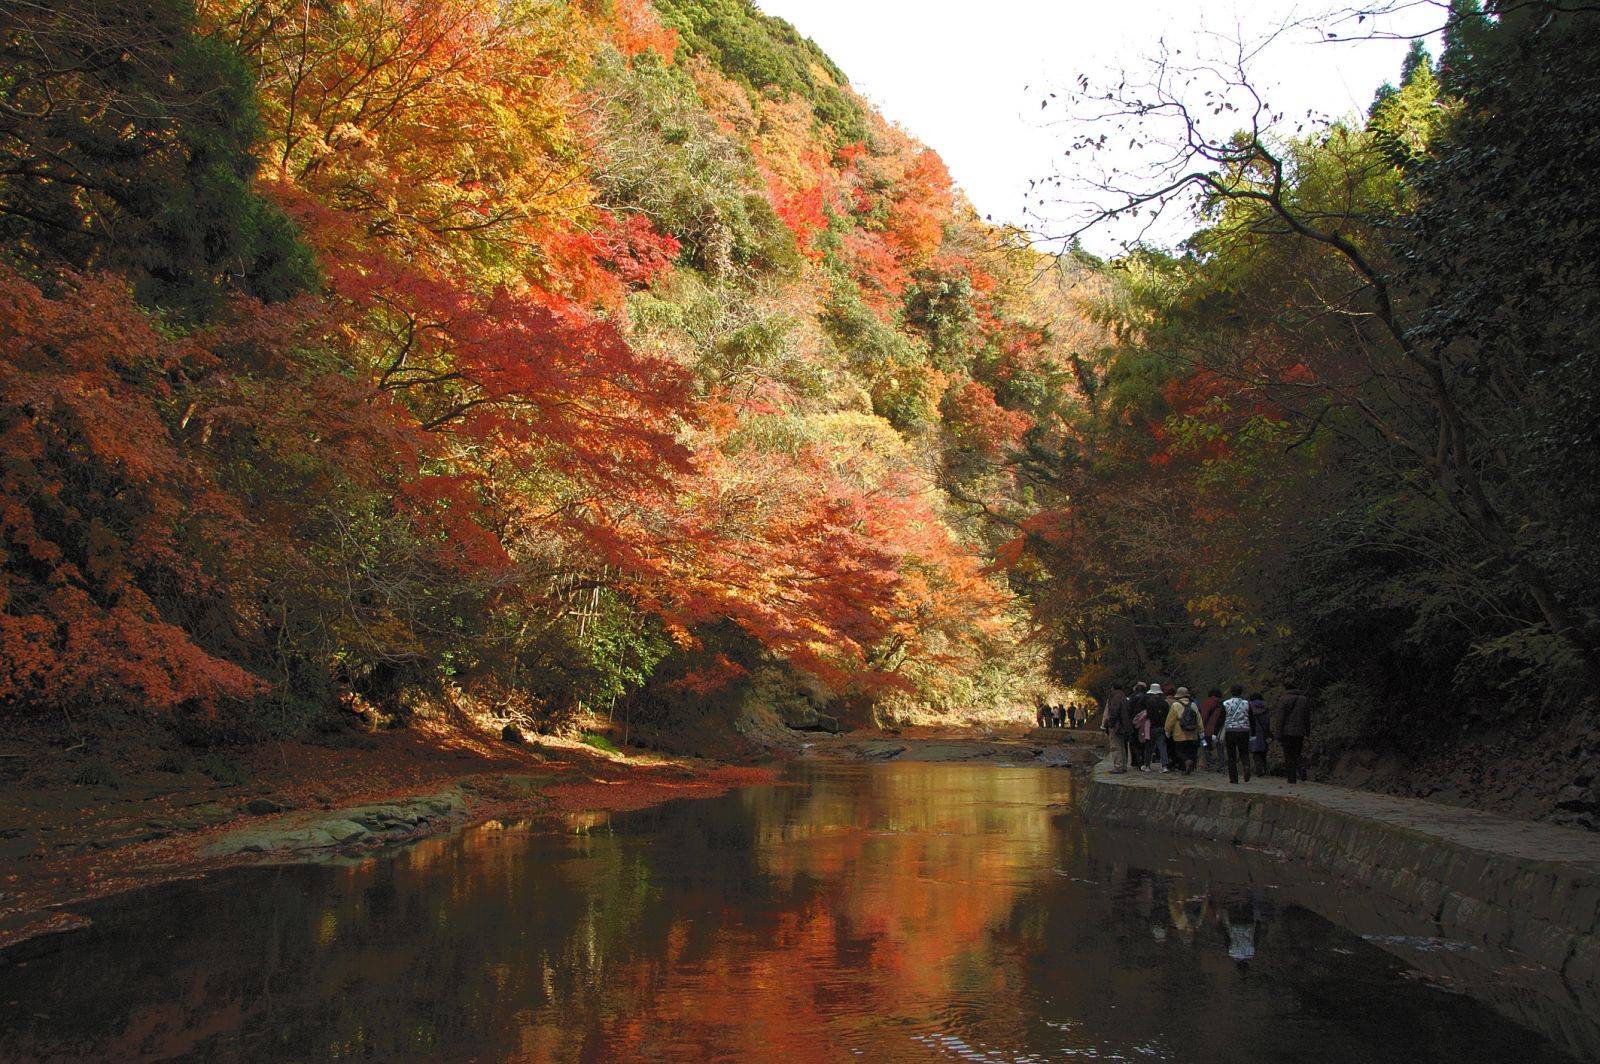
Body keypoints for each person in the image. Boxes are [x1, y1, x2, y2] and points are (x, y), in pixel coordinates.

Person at [1271, 685, 1314, 784]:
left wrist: (1278, 733)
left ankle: (1291, 778)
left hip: (1287, 732)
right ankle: (1301, 767)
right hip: (1300, 731)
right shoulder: (1304, 699)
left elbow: (1280, 718)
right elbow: (1307, 717)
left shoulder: (1283, 699)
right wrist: (1307, 731)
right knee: (1297, 752)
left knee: (1288, 754)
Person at [1164, 686, 1203, 774]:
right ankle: (1187, 767)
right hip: (1192, 732)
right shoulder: (1193, 705)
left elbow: (1170, 720)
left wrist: (1167, 730)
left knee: (1179, 751)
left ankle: (1185, 762)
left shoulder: (1176, 705)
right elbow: (1199, 719)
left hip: (1179, 733)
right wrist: (1201, 730)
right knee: (1189, 751)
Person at [1222, 685, 1253, 784]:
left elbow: (1221, 718)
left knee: (1231, 755)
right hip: (1244, 730)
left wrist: (1215, 733)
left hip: (1230, 731)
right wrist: (1254, 733)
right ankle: (1246, 765)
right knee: (1244, 752)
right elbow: (1251, 718)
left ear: (1231, 692)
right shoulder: (1246, 703)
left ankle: (1234, 778)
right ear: (1241, 692)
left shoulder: (1226, 703)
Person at [1104, 684, 1133, 772]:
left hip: (1117, 726)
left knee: (1115, 746)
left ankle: (1118, 766)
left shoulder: (1115, 699)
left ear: (1113, 688)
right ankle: (1123, 765)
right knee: (1122, 746)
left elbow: (1113, 713)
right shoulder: (1125, 698)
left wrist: (1110, 725)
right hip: (1125, 726)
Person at [1200, 688, 1224, 772]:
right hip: (1220, 731)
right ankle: (1220, 766)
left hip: (1207, 730)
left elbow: (1204, 716)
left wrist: (1201, 728)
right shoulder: (1222, 703)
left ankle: (1209, 764)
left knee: (1205, 746)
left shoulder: (1207, 702)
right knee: (1220, 748)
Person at [1248, 691, 1271, 777]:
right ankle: (1264, 769)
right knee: (1263, 751)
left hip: (1253, 731)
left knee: (1255, 752)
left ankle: (1259, 769)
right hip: (1263, 731)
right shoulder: (1265, 706)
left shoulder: (1249, 706)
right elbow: (1268, 720)